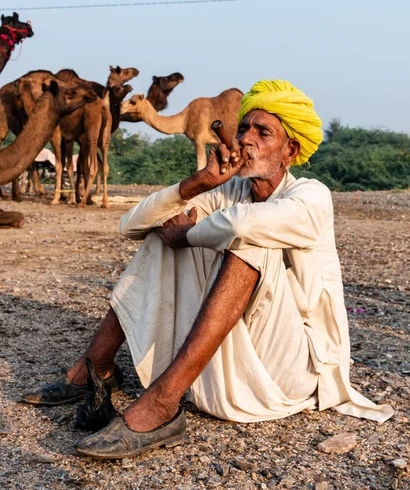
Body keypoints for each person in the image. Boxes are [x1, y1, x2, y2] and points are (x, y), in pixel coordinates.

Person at [23, 80, 393, 460]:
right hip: (234, 369)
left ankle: (162, 404)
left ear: (290, 150)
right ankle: (94, 369)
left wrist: (189, 233)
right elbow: (129, 225)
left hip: (292, 371)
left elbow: (243, 226)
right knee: (160, 233)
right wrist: (198, 182)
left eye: (262, 132)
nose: (246, 138)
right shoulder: (230, 192)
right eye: (244, 128)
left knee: (249, 240)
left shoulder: (311, 195)